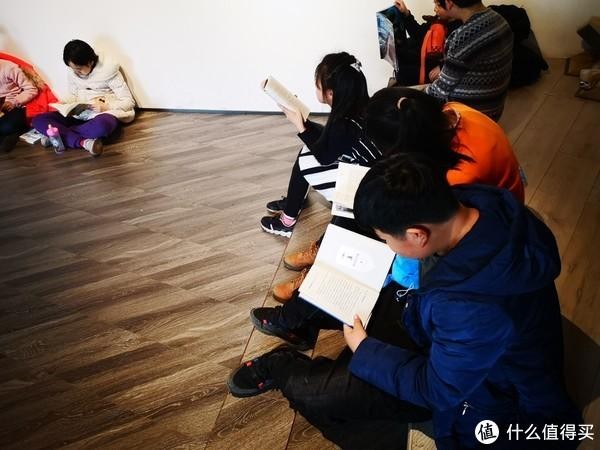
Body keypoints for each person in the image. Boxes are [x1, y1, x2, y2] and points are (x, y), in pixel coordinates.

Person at [227, 153, 581, 450]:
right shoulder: (483, 206)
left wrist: (365, 349)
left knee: (324, 396)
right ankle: (303, 326)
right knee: (351, 297)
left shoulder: (471, 308)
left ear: (417, 234)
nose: (387, 245)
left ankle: (282, 365)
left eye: (386, 239)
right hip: (446, 334)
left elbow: (437, 389)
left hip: (491, 396)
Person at [273, 86, 523, 302]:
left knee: (371, 216)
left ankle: (319, 285)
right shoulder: (452, 112)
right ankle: (323, 262)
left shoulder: (456, 177)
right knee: (358, 209)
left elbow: (429, 224)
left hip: (489, 227)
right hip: (490, 210)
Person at [260, 52, 382, 238]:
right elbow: (329, 139)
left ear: (330, 93)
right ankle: (294, 201)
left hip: (365, 189)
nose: (316, 89)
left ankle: (287, 222)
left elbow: (324, 156)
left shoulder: (344, 122)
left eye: (317, 86)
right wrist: (303, 121)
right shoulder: (358, 107)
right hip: (373, 174)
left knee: (306, 158)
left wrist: (300, 126)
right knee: (308, 148)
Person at [32, 39, 135, 157]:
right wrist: (63, 104)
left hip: (102, 115)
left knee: (102, 126)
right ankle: (83, 141)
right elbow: (72, 95)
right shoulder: (73, 72)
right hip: (80, 114)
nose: (75, 72)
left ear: (90, 62)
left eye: (79, 69)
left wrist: (105, 107)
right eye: (73, 69)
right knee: (38, 120)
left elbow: (129, 102)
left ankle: (58, 137)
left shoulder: (109, 71)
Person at [425, 0, 513, 121]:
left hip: (473, 115)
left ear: (449, 3)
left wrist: (410, 95)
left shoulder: (465, 36)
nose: (435, 8)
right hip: (494, 108)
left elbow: (439, 91)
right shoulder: (499, 19)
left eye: (437, 3)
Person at [0, 59, 38, 152]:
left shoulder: (9, 67)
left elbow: (31, 89)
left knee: (7, 126)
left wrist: (13, 102)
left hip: (14, 106)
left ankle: (14, 133)